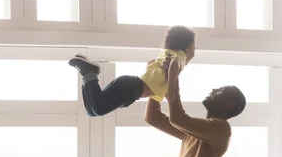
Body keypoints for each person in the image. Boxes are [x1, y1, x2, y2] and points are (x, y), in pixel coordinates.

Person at [68, 25, 196, 117]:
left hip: (130, 85)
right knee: (99, 109)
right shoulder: (180, 56)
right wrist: (170, 91)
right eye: (194, 47)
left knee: (92, 111)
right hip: (131, 87)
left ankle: (86, 73)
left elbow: (152, 62)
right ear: (188, 49)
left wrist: (158, 76)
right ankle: (89, 72)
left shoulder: (167, 53)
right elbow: (174, 64)